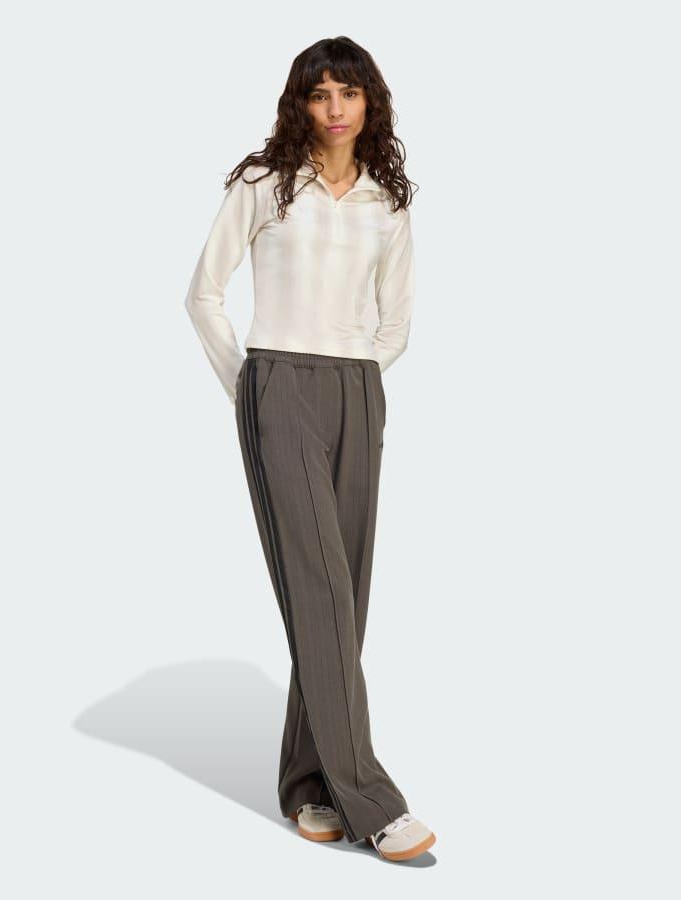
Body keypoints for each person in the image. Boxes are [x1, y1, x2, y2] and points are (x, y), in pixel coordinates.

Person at [183, 36, 435, 863]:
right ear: (301, 102)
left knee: (341, 596)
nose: (334, 109)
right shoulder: (264, 183)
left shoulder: (387, 201)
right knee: (322, 586)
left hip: (358, 389)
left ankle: (308, 783)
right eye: (320, 93)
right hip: (278, 384)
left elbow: (397, 319)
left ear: (370, 103)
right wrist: (250, 389)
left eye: (348, 93)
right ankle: (371, 798)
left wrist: (358, 375)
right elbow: (203, 294)